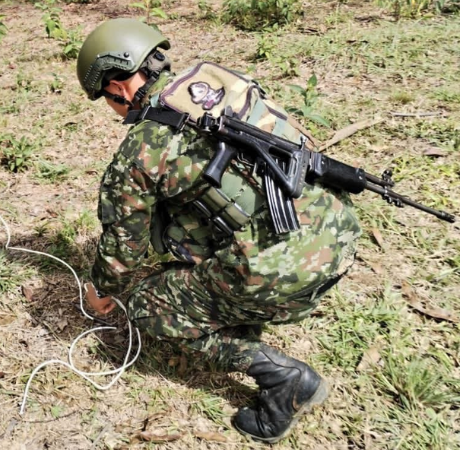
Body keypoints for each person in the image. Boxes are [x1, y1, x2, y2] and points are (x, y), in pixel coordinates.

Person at [77, 18, 362, 443]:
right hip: (338, 228)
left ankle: (285, 381)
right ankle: (235, 304)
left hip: (288, 268)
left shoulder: (140, 151)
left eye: (105, 97)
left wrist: (101, 291)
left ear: (117, 86)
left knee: (145, 306)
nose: (112, 107)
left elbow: (123, 251)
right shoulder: (217, 86)